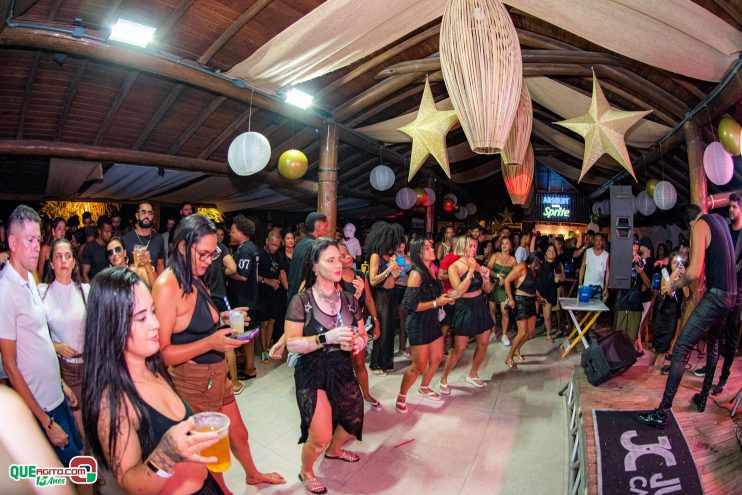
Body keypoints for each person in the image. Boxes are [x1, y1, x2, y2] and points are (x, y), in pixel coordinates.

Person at [153, 215, 285, 491]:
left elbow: (194, 324)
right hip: (194, 381)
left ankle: (252, 474)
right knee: (212, 454)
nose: (209, 260)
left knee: (239, 432)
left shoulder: (195, 278)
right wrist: (210, 343)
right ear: (181, 247)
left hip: (216, 375)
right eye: (203, 253)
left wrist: (226, 318)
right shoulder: (168, 285)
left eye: (213, 253)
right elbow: (162, 353)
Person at [82, 267, 224, 494]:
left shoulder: (153, 367)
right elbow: (128, 480)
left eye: (153, 312)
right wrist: (165, 454)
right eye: (141, 317)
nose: (156, 324)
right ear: (111, 326)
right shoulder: (114, 401)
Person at [640, 204, 736, 427]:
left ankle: (661, 413)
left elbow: (694, 272)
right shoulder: (721, 221)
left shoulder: (701, 225)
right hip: (730, 296)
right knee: (712, 343)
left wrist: (674, 285)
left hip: (716, 296)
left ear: (690, 223)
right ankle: (702, 399)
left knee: (681, 348)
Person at [0, 205, 82, 466]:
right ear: (12, 242)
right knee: (67, 475)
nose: (37, 246)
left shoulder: (29, 281)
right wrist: (46, 424)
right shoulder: (6, 291)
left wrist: (61, 383)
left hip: (55, 395)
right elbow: (10, 368)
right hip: (42, 408)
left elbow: (41, 341)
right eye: (30, 240)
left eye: (39, 239)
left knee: (78, 462)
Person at [284, 239, 367, 494]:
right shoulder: (302, 301)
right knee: (319, 435)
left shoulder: (350, 299)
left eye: (339, 258)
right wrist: (325, 338)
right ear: (314, 267)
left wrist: (360, 343)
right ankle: (306, 470)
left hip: (342, 366)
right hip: (312, 369)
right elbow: (292, 344)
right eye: (330, 260)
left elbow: (363, 333)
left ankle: (334, 450)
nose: (338, 263)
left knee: (353, 417)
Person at [38, 238, 90, 441]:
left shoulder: (85, 291)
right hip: (64, 368)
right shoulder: (42, 293)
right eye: (58, 256)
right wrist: (54, 345)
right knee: (80, 426)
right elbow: (33, 335)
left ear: (75, 261)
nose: (63, 261)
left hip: (90, 364)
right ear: (51, 263)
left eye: (68, 256)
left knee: (94, 419)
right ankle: (88, 465)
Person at [397, 237, 454, 412]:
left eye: (431, 246)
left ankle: (424, 387)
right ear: (419, 253)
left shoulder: (432, 270)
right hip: (418, 323)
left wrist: (446, 298)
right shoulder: (416, 274)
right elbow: (409, 306)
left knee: (437, 358)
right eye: (427, 248)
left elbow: (435, 296)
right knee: (418, 366)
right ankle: (401, 396)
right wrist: (437, 303)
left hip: (432, 321)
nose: (432, 249)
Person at [696, 193, 742, 395]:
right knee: (714, 333)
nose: (730, 210)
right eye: (729, 207)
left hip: (738, 292)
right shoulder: (724, 230)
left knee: (730, 337)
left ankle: (723, 377)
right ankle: (710, 368)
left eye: (733, 207)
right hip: (719, 289)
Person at [438, 237, 494, 392]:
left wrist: (486, 277)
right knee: (459, 349)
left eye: (475, 246)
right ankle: (444, 377)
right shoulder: (454, 267)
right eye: (470, 245)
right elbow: (459, 291)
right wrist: (470, 271)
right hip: (464, 307)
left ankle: (473, 373)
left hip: (479, 306)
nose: (473, 248)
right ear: (463, 247)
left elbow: (488, 289)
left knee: (483, 343)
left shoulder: (476, 263)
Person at [338, 241, 381, 409]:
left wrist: (376, 322)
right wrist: (357, 293)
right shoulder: (335, 280)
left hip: (359, 326)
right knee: (344, 366)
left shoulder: (360, 275)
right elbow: (342, 309)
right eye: (342, 255)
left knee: (360, 364)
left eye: (347, 252)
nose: (348, 256)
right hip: (342, 328)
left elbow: (369, 299)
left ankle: (366, 394)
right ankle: (346, 399)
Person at [202, 232, 241, 394]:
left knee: (208, 339)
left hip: (205, 297)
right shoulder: (221, 247)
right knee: (228, 341)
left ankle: (216, 382)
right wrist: (221, 273)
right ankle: (235, 383)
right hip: (222, 297)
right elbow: (233, 268)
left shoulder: (200, 249)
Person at [366, 222, 406, 376]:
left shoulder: (389, 256)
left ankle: (386, 362)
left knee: (390, 330)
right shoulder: (376, 256)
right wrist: (389, 269)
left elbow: (394, 278)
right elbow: (373, 280)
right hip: (381, 296)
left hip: (392, 294)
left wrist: (397, 271)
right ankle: (375, 365)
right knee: (381, 331)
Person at [226, 215, 259, 379]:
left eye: (232, 231)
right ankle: (248, 365)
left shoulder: (246, 249)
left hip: (243, 300)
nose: (230, 233)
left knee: (243, 335)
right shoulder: (249, 246)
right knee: (247, 334)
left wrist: (224, 274)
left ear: (241, 232)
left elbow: (243, 276)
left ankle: (249, 368)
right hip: (247, 298)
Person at [648, 251, 687, 371]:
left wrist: (684, 277)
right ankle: (648, 371)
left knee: (663, 350)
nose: (677, 265)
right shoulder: (665, 274)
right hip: (661, 315)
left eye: (679, 263)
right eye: (674, 263)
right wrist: (674, 274)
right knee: (655, 348)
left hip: (671, 317)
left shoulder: (682, 278)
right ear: (670, 264)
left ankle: (656, 377)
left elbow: (687, 293)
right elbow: (664, 289)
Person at [504, 253, 543, 369]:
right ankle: (509, 357)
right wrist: (510, 299)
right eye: (538, 263)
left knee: (530, 332)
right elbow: (507, 281)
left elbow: (533, 287)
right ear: (533, 261)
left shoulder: (534, 270)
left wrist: (539, 297)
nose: (539, 266)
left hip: (531, 301)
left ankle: (517, 350)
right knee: (522, 332)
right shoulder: (522, 267)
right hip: (520, 301)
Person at [256, 230, 284, 364]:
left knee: (272, 321)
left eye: (277, 245)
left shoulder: (279, 256)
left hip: (275, 293)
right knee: (264, 322)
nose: (274, 248)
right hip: (262, 293)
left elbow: (281, 271)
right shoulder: (259, 255)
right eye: (272, 244)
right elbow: (252, 276)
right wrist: (267, 281)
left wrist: (278, 281)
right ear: (267, 241)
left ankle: (268, 346)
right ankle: (263, 350)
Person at [288, 212, 329, 301]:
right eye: (326, 226)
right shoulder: (314, 246)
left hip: (294, 296)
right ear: (318, 227)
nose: (328, 229)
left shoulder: (300, 244)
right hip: (305, 299)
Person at [122, 201, 166, 275]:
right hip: (133, 284)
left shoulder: (159, 239)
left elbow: (160, 265)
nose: (146, 216)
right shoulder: (126, 239)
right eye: (143, 212)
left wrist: (160, 285)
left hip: (152, 284)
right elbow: (122, 267)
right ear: (137, 215)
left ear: (152, 216)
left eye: (150, 213)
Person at [487, 236, 516, 346]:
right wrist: (498, 276)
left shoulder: (513, 260)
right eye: (502, 243)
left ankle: (504, 335)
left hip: (504, 288)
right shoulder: (495, 255)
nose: (504, 245)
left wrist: (506, 281)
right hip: (493, 286)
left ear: (510, 245)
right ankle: (493, 332)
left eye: (507, 243)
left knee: (505, 312)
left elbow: (515, 276)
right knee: (492, 311)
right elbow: (488, 269)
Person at [538, 244, 565, 343]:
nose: (551, 252)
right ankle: (529, 333)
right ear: (545, 253)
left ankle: (549, 335)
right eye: (549, 250)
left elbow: (563, 279)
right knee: (533, 314)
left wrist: (560, 277)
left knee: (547, 316)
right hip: (538, 292)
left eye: (553, 250)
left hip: (549, 292)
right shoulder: (541, 264)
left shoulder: (558, 264)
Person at [394, 239, 412, 359]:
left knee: (404, 321)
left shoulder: (410, 258)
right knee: (389, 321)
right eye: (398, 244)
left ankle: (402, 347)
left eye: (402, 243)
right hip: (394, 288)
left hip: (406, 289)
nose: (400, 246)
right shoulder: (391, 258)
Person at [81, 215, 113, 283]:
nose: (110, 234)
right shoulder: (90, 248)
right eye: (107, 232)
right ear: (99, 231)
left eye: (111, 231)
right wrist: (91, 291)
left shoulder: (112, 246)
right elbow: (84, 273)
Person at [578, 232, 609, 297]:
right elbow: (582, 267)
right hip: (587, 286)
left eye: (600, 240)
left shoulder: (606, 255)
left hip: (599, 287)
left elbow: (607, 272)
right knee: (584, 305)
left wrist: (606, 288)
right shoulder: (587, 252)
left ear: (602, 241)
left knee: (597, 306)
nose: (598, 242)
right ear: (594, 241)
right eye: (597, 240)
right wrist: (580, 282)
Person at [37, 217, 65, 281]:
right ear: (53, 231)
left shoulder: (66, 249)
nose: (62, 232)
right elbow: (40, 273)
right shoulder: (45, 249)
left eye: (64, 229)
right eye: (59, 228)